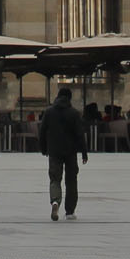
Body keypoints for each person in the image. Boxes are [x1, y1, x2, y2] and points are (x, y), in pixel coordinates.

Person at [40, 86, 88, 222]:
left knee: (55, 178)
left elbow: (42, 131)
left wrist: (43, 148)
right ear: (69, 98)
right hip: (71, 151)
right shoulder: (74, 113)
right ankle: (70, 211)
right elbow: (80, 134)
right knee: (71, 180)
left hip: (54, 151)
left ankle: (55, 201)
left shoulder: (49, 112)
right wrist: (84, 152)